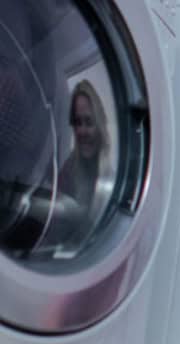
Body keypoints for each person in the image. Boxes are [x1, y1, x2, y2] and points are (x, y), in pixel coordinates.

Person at [40, 79, 112, 255]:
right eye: (77, 122)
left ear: (100, 124)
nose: (82, 131)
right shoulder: (66, 173)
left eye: (88, 122)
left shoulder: (114, 181)